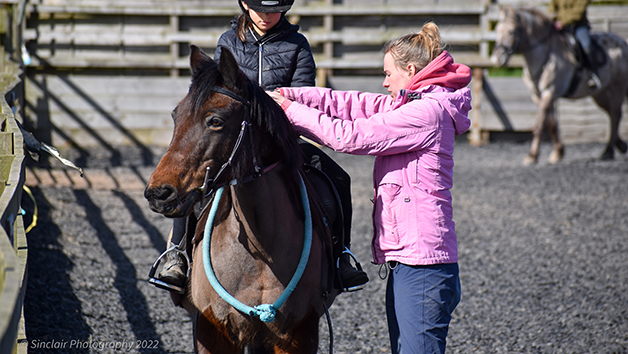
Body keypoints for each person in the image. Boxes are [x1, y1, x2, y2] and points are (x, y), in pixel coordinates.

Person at [268, 22, 470, 354]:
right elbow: (347, 103)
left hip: (423, 267)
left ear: (410, 70)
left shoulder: (424, 113)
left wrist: (289, 112)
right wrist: (289, 95)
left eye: (389, 73)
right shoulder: (411, 104)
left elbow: (349, 136)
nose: (384, 82)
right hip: (413, 262)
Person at [150, 0, 368, 295]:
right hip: (238, 140)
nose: (267, 16)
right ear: (244, 4)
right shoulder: (229, 42)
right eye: (260, 9)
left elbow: (304, 94)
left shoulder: (297, 44)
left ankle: (342, 255)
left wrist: (270, 107)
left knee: (339, 178)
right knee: (199, 181)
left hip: (283, 140)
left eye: (275, 9)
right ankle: (176, 255)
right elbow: (218, 92)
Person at [549, 0, 600, 89]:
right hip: (559, 26)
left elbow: (578, 12)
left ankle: (592, 73)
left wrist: (563, 22)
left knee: (586, 45)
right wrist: (550, 18)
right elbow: (552, 8)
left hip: (578, 25)